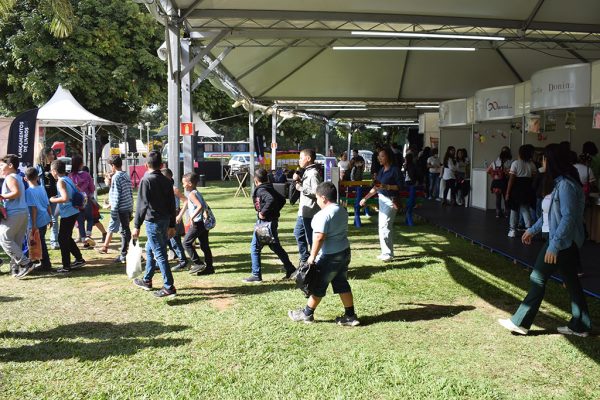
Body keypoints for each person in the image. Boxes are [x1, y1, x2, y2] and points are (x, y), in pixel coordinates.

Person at [498, 143, 592, 337]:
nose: (540, 162)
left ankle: (520, 322)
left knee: (538, 277)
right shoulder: (559, 183)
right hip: (559, 239)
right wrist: (532, 230)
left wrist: (554, 246)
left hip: (561, 241)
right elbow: (548, 215)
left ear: (550, 161)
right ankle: (581, 325)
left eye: (543, 158)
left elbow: (568, 218)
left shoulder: (565, 185)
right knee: (572, 282)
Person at [288, 182, 359, 326]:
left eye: (317, 199)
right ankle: (350, 316)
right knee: (341, 282)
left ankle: (307, 314)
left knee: (318, 285)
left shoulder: (322, 215)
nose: (317, 202)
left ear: (324, 198)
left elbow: (319, 237)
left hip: (329, 256)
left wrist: (312, 257)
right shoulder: (342, 210)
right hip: (344, 252)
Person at [132, 151, 177, 298]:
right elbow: (172, 204)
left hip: (153, 222)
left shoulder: (146, 180)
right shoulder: (166, 180)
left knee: (160, 253)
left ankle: (169, 286)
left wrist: (136, 226)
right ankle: (147, 280)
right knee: (150, 248)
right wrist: (172, 225)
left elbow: (142, 205)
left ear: (146, 165)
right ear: (162, 165)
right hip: (165, 220)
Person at [243, 168, 296, 283]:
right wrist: (275, 212)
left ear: (255, 180)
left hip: (265, 222)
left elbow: (271, 200)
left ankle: (256, 275)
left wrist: (263, 212)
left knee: (255, 247)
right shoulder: (269, 187)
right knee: (275, 246)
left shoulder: (261, 190)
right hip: (271, 221)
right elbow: (282, 200)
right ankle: (290, 269)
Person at [359, 148, 403, 261]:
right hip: (381, 199)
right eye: (379, 156)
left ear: (388, 157)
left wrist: (388, 186)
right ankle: (386, 252)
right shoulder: (381, 170)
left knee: (385, 225)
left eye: (382, 156)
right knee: (382, 226)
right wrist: (365, 198)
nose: (379, 158)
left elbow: (401, 186)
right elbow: (376, 187)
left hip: (391, 200)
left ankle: (388, 254)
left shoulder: (395, 170)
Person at [0, 154, 36, 278]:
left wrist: (2, 196)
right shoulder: (18, 177)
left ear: (10, 166)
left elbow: (16, 193)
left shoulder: (10, 177)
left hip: (13, 213)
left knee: (4, 239)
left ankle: (25, 263)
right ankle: (15, 269)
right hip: (22, 213)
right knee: (16, 242)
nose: (0, 167)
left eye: (2, 165)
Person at [49, 159, 86, 273]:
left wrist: (53, 199)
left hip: (68, 213)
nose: (51, 173)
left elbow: (64, 198)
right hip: (73, 211)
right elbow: (78, 190)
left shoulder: (60, 181)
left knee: (62, 239)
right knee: (66, 237)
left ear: (55, 171)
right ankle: (79, 259)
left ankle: (66, 266)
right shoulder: (68, 179)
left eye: (51, 171)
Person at [98, 155, 133, 264]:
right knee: (125, 231)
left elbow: (117, 195)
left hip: (120, 208)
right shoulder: (125, 175)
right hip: (127, 206)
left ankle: (124, 254)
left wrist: (113, 209)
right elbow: (129, 192)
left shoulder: (116, 177)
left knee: (124, 232)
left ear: (113, 166)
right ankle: (127, 252)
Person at [179, 172, 214, 276]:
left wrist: (191, 217)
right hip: (203, 223)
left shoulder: (192, 194)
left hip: (197, 223)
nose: (183, 185)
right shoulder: (196, 192)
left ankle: (198, 263)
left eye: (184, 183)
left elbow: (199, 206)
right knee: (204, 246)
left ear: (189, 183)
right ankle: (209, 268)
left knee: (186, 243)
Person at [293, 149, 322, 263]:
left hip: (310, 211)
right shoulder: (307, 171)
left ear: (308, 159)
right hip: (303, 210)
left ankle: (315, 261)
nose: (299, 160)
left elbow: (316, 192)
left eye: (301, 158)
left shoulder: (313, 173)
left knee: (311, 238)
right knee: (298, 233)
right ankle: (304, 259)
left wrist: (301, 188)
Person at [24, 167, 53, 272]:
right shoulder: (42, 188)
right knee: (41, 242)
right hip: (44, 218)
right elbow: (47, 204)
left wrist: (34, 224)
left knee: (38, 243)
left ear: (25, 178)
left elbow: (33, 208)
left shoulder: (28, 192)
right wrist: (50, 218)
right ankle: (41, 262)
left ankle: (45, 264)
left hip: (36, 221)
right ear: (37, 177)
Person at [69, 155, 100, 247]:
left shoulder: (70, 176)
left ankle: (83, 240)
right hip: (86, 199)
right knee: (90, 218)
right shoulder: (86, 175)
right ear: (81, 164)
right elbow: (92, 188)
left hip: (76, 202)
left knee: (80, 221)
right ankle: (88, 234)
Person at [161, 168, 188, 272]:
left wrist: (179, 215)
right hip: (166, 216)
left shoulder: (173, 189)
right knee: (168, 239)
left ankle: (183, 261)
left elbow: (186, 201)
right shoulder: (164, 188)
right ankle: (176, 255)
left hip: (174, 215)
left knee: (174, 239)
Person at [506, 145, 536, 237]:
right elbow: (534, 178)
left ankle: (512, 230)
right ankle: (528, 229)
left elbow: (511, 179)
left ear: (520, 153)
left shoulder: (515, 163)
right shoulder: (532, 164)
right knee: (525, 208)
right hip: (527, 189)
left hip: (516, 188)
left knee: (514, 209)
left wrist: (507, 192)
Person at [35, 148, 59, 249]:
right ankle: (41, 240)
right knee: (42, 219)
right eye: (49, 154)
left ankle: (54, 241)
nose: (52, 156)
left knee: (54, 219)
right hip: (42, 197)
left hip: (54, 197)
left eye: (52, 154)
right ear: (44, 156)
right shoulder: (38, 167)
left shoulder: (55, 166)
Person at [487, 146, 512, 218]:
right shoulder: (508, 162)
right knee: (506, 198)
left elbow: (488, 171)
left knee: (498, 198)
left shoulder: (495, 162)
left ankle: (498, 213)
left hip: (495, 183)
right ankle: (507, 213)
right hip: (504, 182)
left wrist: (494, 175)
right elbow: (508, 173)